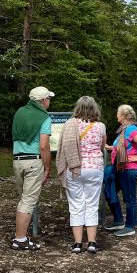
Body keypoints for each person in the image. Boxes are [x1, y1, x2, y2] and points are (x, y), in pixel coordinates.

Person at [56, 96, 106, 253]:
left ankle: (77, 244)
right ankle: (92, 243)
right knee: (91, 204)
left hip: (74, 168)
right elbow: (102, 145)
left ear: (77, 108)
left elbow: (63, 146)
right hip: (95, 168)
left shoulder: (70, 125)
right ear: (94, 109)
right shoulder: (100, 126)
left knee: (76, 205)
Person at [10, 86, 54, 251]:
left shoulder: (20, 112)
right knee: (28, 201)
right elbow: (44, 146)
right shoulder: (44, 118)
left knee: (23, 199)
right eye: (48, 99)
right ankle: (20, 238)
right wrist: (47, 167)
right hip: (33, 161)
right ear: (43, 101)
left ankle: (20, 234)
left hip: (17, 160)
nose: (49, 101)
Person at [104, 105, 137, 237]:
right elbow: (123, 146)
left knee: (129, 198)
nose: (116, 116)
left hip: (130, 169)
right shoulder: (124, 130)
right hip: (120, 167)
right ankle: (118, 220)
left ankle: (130, 226)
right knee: (109, 190)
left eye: (118, 114)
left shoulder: (130, 129)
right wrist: (110, 147)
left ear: (123, 116)